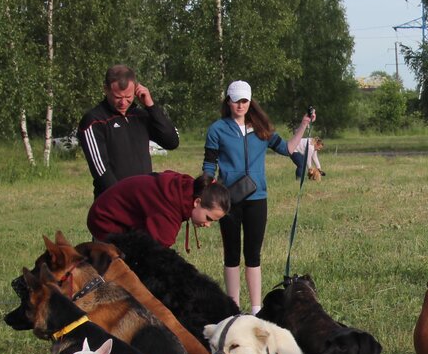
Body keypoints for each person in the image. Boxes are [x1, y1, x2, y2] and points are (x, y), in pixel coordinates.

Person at [202, 80, 312, 314]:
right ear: (228, 101)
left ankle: (255, 308)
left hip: (256, 197)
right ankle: (232, 307)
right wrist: (207, 188)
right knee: (231, 254)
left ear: (250, 102)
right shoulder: (217, 129)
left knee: (253, 254)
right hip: (228, 199)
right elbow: (209, 163)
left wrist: (303, 125)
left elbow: (287, 149)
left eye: (244, 100)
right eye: (235, 100)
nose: (240, 105)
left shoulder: (262, 129)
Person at [78, 64, 180, 198]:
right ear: (106, 90)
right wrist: (123, 200)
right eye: (118, 97)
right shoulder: (94, 121)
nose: (124, 103)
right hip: (113, 202)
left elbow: (171, 142)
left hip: (144, 197)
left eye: (128, 97)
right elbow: (101, 170)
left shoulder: (140, 116)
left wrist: (151, 106)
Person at [86, 171, 229, 249]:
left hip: (121, 217)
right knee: (120, 275)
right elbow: (158, 254)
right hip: (105, 219)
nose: (208, 224)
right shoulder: (169, 206)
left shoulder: (185, 190)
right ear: (197, 202)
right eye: (209, 218)